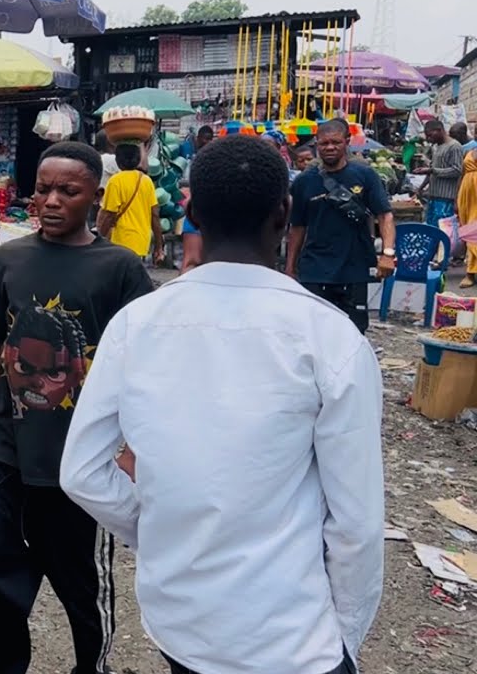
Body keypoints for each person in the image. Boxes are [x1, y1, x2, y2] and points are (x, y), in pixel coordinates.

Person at [61, 134, 384, 674]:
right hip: (292, 639)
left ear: (191, 213)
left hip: (180, 626)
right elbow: (356, 523)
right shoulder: (328, 338)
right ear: (284, 214)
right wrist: (346, 636)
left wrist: (161, 527)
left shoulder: (136, 325)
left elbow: (82, 472)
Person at [0, 142, 154, 674]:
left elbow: (142, 363)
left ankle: (92, 667)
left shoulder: (118, 268)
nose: (50, 200)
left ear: (95, 195)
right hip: (7, 446)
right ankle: (1, 665)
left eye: (66, 191)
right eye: (42, 188)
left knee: (80, 582)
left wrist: (134, 444)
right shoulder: (11, 257)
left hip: (81, 456)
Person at [286, 118, 396, 334]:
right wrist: (290, 268)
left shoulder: (365, 176)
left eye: (335, 142)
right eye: (324, 143)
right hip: (314, 270)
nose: (329, 147)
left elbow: (385, 215)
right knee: (313, 332)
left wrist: (388, 253)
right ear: (316, 144)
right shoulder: (303, 182)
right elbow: (297, 227)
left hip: (353, 268)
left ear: (347, 142)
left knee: (354, 333)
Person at [97, 143, 163, 264]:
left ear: (117, 161)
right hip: (141, 241)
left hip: (121, 241)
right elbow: (155, 215)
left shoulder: (115, 181)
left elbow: (109, 215)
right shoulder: (146, 181)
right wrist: (159, 246)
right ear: (138, 160)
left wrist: (98, 241)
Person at [417, 119, 464, 227]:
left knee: (443, 231)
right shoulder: (436, 147)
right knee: (431, 229)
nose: (429, 139)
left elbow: (457, 170)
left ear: (439, 130)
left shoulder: (454, 146)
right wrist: (421, 187)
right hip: (433, 196)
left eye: (430, 135)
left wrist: (432, 170)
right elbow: (432, 170)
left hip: (446, 199)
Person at [458, 145, 477, 287]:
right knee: (467, 232)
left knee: (473, 235)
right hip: (467, 197)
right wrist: (456, 198)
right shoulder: (470, 152)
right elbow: (462, 174)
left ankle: (470, 274)